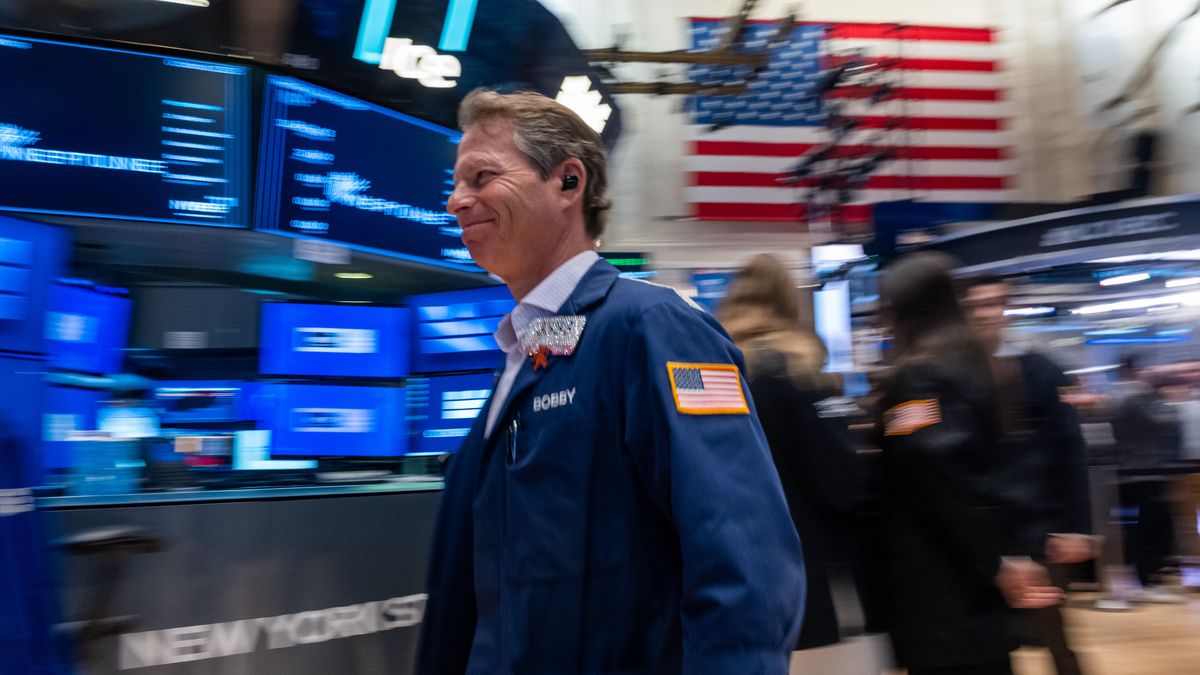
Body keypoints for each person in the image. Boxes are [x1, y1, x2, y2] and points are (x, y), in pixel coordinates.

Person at [416, 89, 805, 675]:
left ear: (568, 183)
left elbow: (745, 558)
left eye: (481, 177)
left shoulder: (655, 328)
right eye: (456, 183)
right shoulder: (524, 353)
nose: (455, 201)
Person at [876, 253, 1060, 675]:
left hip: (940, 581)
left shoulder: (915, 380)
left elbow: (935, 479)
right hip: (981, 580)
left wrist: (993, 562)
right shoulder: (984, 367)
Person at [718, 253, 860, 650]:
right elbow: (838, 479)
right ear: (789, 301)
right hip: (803, 554)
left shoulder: (714, 363)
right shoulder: (799, 367)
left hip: (730, 556)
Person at [964, 276, 1094, 675]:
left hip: (1040, 525)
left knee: (1052, 630)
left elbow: (1070, 449)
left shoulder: (1040, 369)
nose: (988, 313)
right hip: (985, 529)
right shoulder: (955, 374)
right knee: (988, 637)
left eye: (995, 303)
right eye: (978, 305)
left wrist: (1076, 526)